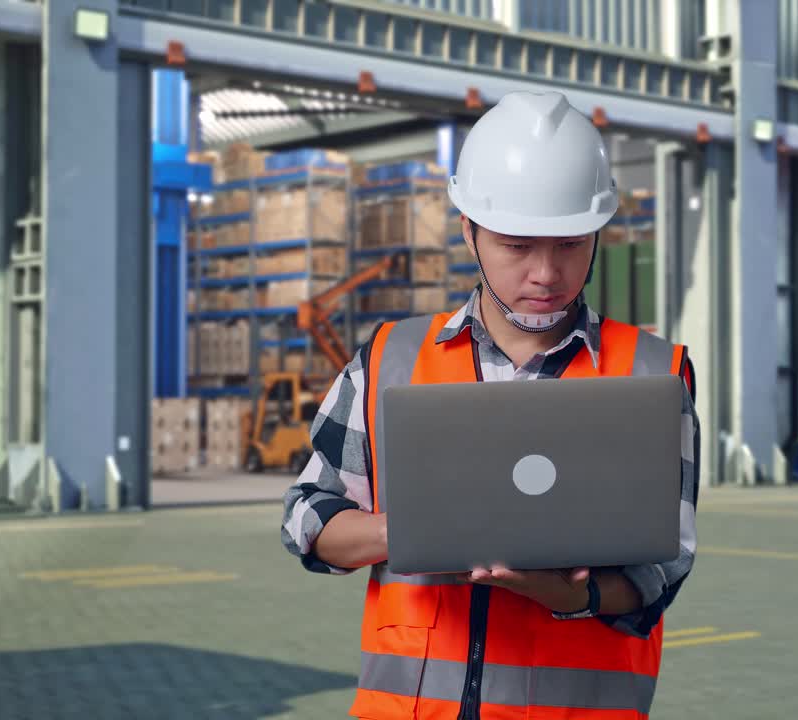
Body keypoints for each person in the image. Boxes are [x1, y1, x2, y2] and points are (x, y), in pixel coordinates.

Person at [280, 90, 700, 720]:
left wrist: (569, 596)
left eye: (568, 245)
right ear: (469, 233)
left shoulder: (653, 373)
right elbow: (308, 517)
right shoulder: (391, 360)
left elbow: (662, 568)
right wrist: (412, 534)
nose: (545, 274)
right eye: (517, 246)